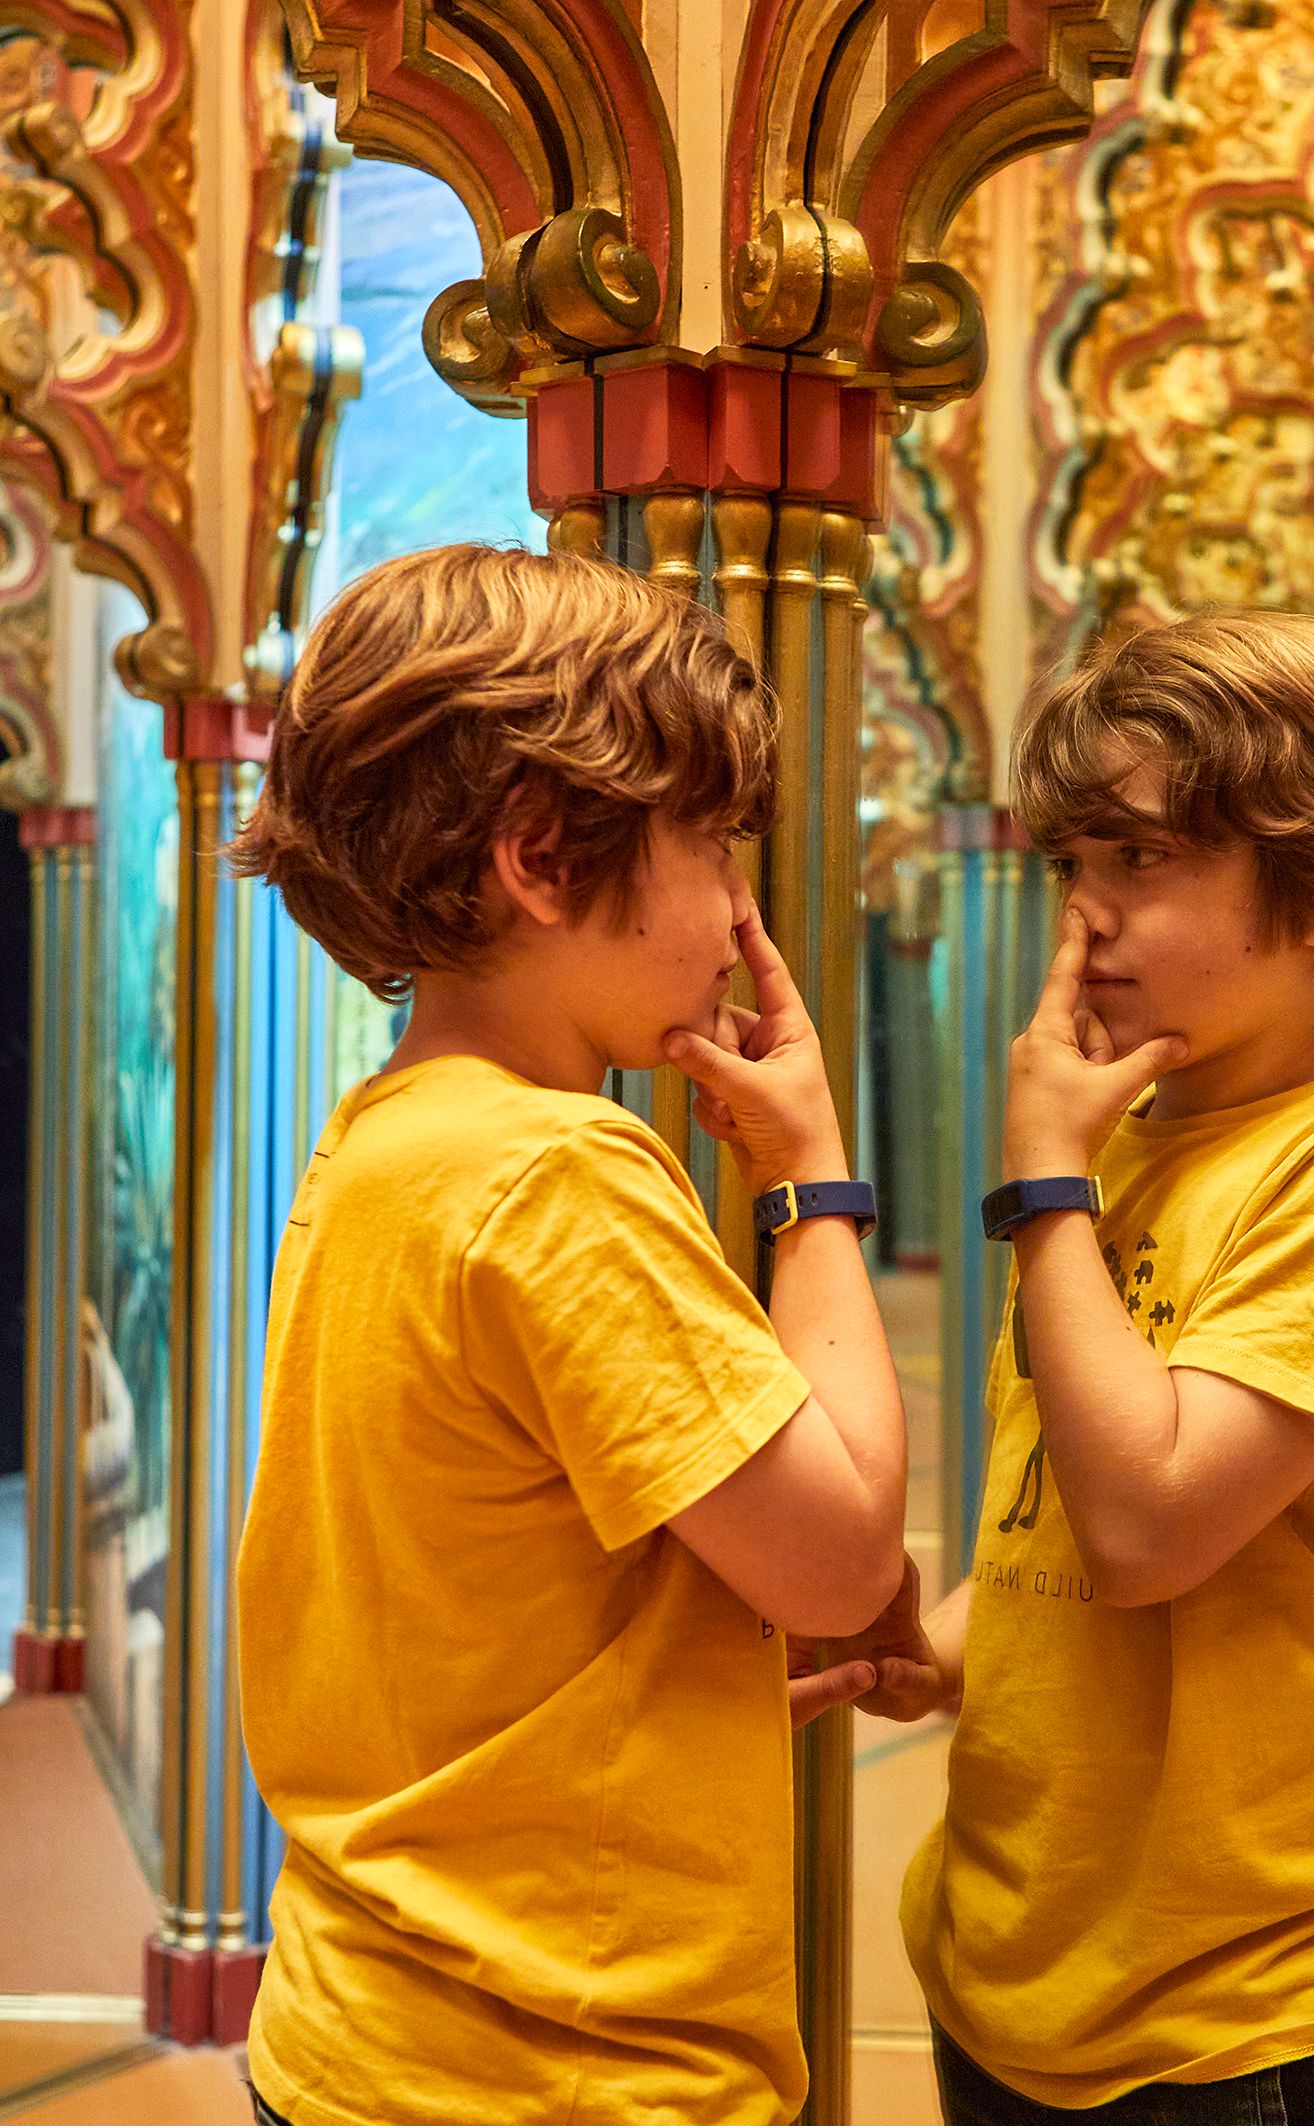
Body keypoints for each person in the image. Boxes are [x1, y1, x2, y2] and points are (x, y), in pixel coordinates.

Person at [224, 547, 912, 2126]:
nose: (742, 909)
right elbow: (841, 1561)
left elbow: (472, 1594)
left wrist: (684, 1702)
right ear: (542, 854)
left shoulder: (385, 1142)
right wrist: (813, 1184)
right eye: (714, 841)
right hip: (564, 2070)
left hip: (361, 2034)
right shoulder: (559, 1168)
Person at [832, 612, 1314, 2124]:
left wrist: (1045, 1186)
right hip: (1016, 1961)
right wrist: (936, 1645)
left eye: (1138, 860)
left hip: (1256, 2013)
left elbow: (1150, 1523)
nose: (1084, 920)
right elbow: (1054, 1510)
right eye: (1073, 865)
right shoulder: (1125, 1140)